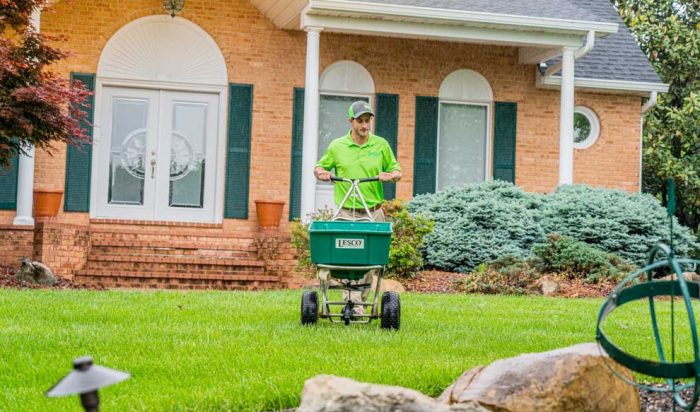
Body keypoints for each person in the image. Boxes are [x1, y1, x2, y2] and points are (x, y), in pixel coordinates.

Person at [314, 100, 402, 316]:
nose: (365, 126)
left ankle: (358, 303)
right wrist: (322, 173)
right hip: (346, 213)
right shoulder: (337, 146)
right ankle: (351, 304)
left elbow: (397, 171)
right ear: (350, 122)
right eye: (360, 121)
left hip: (373, 212)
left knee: (370, 263)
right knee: (346, 260)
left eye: (367, 121)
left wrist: (390, 176)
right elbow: (320, 167)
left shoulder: (380, 145)